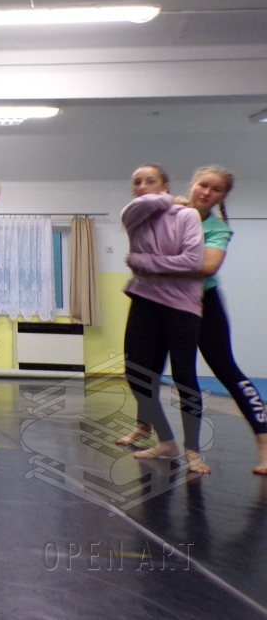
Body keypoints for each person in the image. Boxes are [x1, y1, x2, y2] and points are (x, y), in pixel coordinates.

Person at [118, 165, 267, 474]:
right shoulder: (168, 208)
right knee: (146, 368)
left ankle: (264, 442)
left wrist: (145, 264)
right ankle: (150, 431)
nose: (206, 192)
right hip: (159, 300)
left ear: (222, 197)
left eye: (216, 189)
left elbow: (205, 267)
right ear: (192, 185)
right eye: (203, 185)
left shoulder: (217, 228)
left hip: (202, 301)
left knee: (224, 369)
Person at [119, 164, 209, 474]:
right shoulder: (134, 216)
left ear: (165, 185)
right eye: (137, 182)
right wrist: (168, 198)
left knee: (184, 375)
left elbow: (192, 261)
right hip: (145, 300)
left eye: (150, 181)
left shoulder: (187, 215)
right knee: (136, 374)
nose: (142, 186)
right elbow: (141, 206)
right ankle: (166, 441)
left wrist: (142, 261)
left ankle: (192, 449)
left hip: (182, 305)